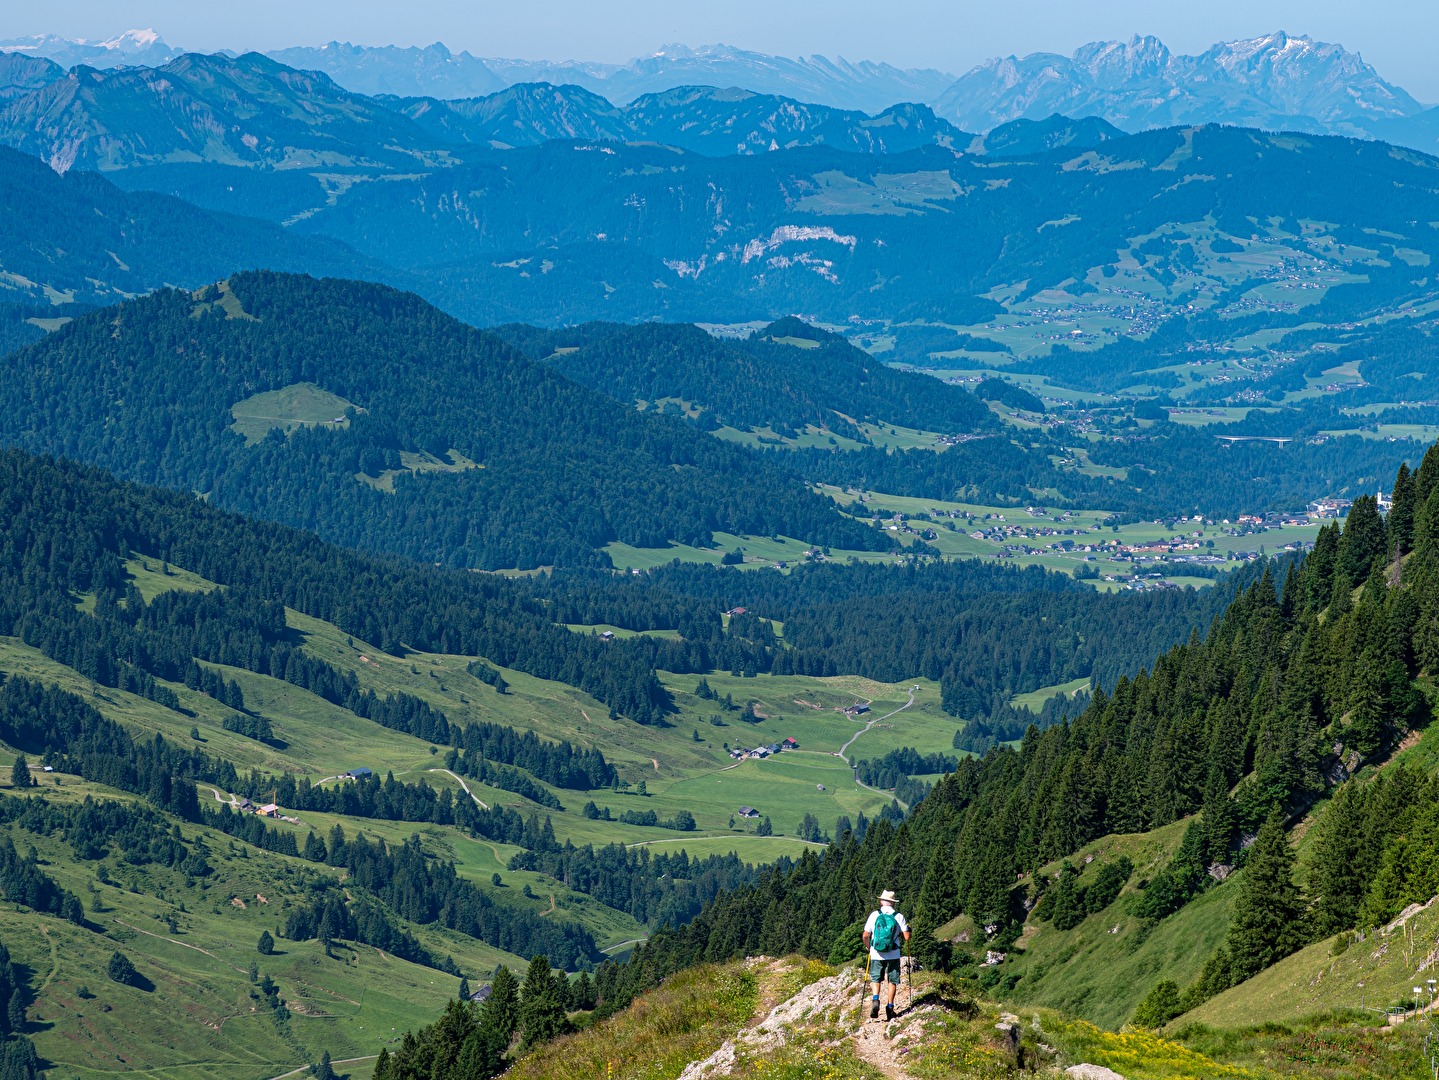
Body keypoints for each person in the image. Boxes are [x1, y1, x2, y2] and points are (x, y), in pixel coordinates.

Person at [863, 889, 911, 1020]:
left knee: (876, 978)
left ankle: (875, 1000)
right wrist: (909, 930)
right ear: (893, 903)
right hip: (893, 954)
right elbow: (907, 937)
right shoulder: (899, 916)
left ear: (881, 901)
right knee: (892, 981)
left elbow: (865, 935)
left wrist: (868, 947)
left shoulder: (874, 915)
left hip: (876, 953)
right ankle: (890, 1007)